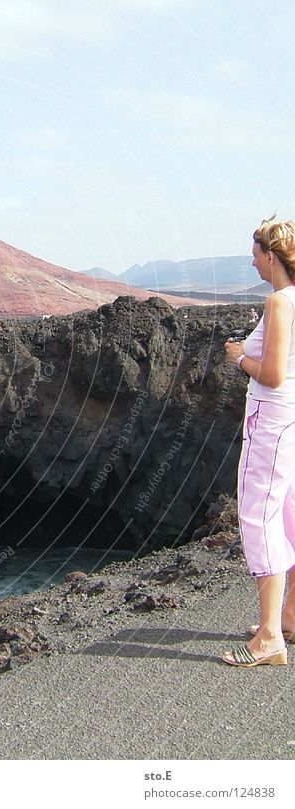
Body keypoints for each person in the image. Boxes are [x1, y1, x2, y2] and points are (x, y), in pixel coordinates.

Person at [223, 215, 295, 667]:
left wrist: (237, 359)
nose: (252, 264)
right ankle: (290, 616)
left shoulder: (279, 303)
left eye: (255, 256)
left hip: (271, 420)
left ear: (272, 255)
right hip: (293, 418)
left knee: (258, 514)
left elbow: (271, 374)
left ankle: (269, 637)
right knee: (290, 512)